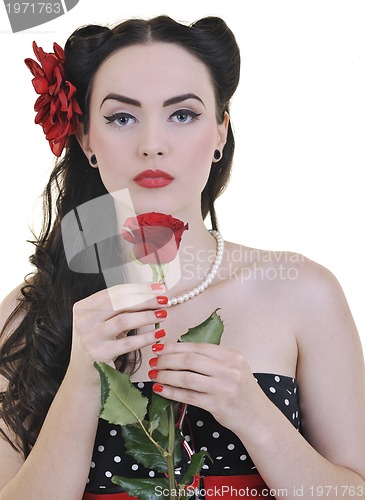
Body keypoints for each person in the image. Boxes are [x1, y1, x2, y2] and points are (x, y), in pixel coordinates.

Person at [0, 14, 365, 500]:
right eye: (122, 118)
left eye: (183, 114)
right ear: (86, 138)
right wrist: (83, 382)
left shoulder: (304, 292)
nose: (152, 145)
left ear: (219, 132)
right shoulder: (30, 314)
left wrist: (254, 414)